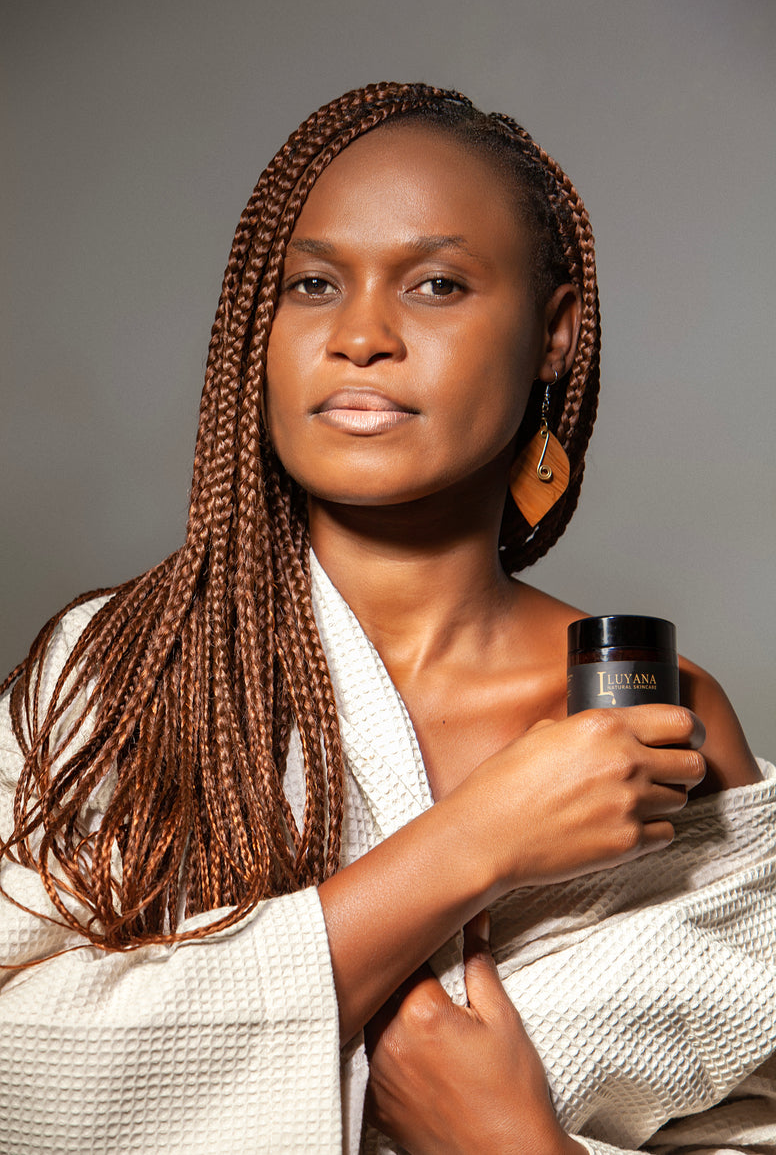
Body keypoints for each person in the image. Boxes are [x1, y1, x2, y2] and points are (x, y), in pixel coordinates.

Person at [0, 81, 773, 1155]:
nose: (360, 335)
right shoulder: (119, 673)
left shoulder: (653, 721)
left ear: (552, 335)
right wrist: (477, 841)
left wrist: (511, 1143)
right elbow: (19, 1068)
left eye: (436, 283)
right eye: (313, 282)